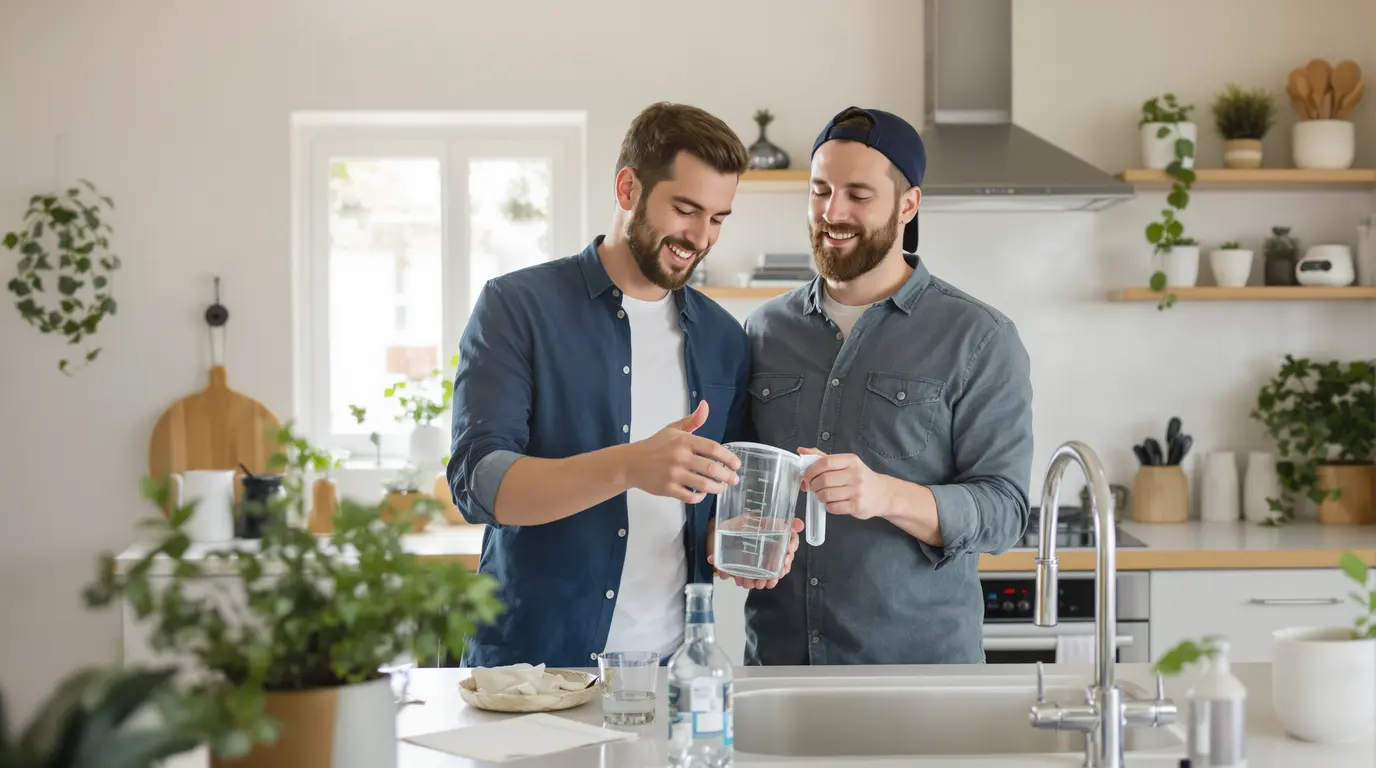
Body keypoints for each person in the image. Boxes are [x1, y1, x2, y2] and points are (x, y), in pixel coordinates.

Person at [446, 102, 799, 670]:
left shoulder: (723, 338)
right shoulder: (516, 308)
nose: (700, 237)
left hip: (669, 672)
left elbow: (712, 500)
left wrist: (729, 540)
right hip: (530, 671)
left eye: (717, 218)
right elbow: (479, 485)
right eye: (685, 210)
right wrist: (629, 466)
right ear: (628, 187)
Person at [739, 106, 1035, 666]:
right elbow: (737, 479)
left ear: (908, 204)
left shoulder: (979, 337)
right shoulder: (763, 330)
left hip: (918, 677)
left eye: (857, 194)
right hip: (778, 668)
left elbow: (1005, 511)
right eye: (820, 190)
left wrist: (886, 496)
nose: (833, 212)